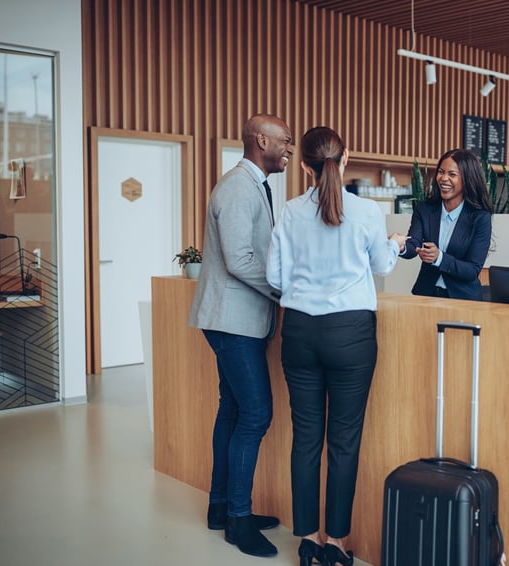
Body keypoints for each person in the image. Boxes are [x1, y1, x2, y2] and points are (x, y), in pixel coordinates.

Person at [266, 126, 406, 566]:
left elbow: (274, 277)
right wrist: (394, 245)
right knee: (344, 442)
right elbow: (382, 266)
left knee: (306, 438)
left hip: (301, 333)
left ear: (305, 166)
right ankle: (336, 545)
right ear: (344, 161)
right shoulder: (366, 211)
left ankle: (307, 540)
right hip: (351, 335)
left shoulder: (289, 212)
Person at [188, 113, 293, 557]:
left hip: (240, 321)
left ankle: (221, 507)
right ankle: (238, 519)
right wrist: (283, 290)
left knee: (231, 411)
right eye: (284, 141)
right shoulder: (236, 187)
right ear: (260, 140)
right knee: (255, 415)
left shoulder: (255, 186)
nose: (288, 148)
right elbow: (239, 259)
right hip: (232, 322)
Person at [400, 148, 494, 300]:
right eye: (441, 172)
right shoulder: (424, 209)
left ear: (467, 179)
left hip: (463, 300)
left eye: (452, 174)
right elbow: (413, 244)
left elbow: (472, 270)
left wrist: (440, 258)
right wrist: (401, 246)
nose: (443, 178)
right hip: (426, 296)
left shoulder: (480, 217)